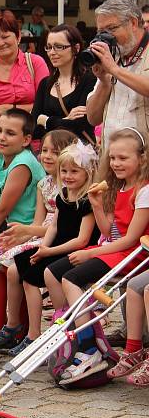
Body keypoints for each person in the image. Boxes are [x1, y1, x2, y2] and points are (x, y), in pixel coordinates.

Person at [46, 128, 149, 383]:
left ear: (142, 159)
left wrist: (90, 252)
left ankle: (88, 343)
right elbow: (108, 230)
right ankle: (70, 323)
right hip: (117, 247)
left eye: (123, 158)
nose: (116, 163)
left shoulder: (143, 191)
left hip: (133, 253)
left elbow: (130, 239)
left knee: (71, 277)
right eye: (113, 158)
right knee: (55, 271)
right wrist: (97, 204)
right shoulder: (119, 187)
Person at [8, 141, 100, 356]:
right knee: (21, 268)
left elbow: (82, 239)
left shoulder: (87, 201)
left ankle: (62, 318)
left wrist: (49, 252)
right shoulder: (63, 195)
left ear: (88, 173)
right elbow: (55, 226)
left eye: (74, 171)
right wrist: (43, 247)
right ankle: (31, 332)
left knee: (44, 274)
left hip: (76, 249)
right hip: (56, 246)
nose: (68, 176)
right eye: (64, 171)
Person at [0, 109, 45, 353]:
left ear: (25, 140)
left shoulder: (23, 163)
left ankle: (13, 327)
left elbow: (3, 208)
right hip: (11, 228)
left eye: (10, 133)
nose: (1, 137)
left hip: (30, 228)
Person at [0, 129, 75, 339]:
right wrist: (22, 236)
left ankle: (24, 328)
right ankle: (10, 323)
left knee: (14, 270)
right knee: (0, 256)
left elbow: (60, 226)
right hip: (42, 233)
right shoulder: (43, 184)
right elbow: (38, 221)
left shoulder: (69, 186)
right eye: (44, 150)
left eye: (54, 152)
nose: (47, 156)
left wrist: (28, 232)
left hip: (58, 237)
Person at [0, 11, 49, 152]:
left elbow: (46, 106)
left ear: (18, 36)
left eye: (5, 36)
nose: (0, 43)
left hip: (34, 146)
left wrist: (6, 108)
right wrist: (29, 110)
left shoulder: (35, 63)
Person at [86, 0, 149, 154]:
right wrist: (103, 81)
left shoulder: (113, 63)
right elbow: (93, 118)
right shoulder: (113, 56)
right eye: (101, 32)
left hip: (144, 159)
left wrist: (115, 70)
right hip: (112, 160)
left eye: (112, 29)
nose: (107, 37)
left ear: (133, 23)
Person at [32, 25, 97, 143]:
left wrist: (45, 121)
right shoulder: (45, 83)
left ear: (76, 48)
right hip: (49, 153)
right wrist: (66, 120)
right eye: (49, 47)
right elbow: (33, 129)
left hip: (78, 154)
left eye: (58, 47)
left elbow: (80, 124)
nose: (52, 52)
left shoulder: (90, 80)